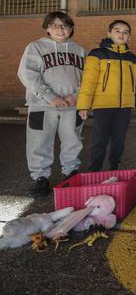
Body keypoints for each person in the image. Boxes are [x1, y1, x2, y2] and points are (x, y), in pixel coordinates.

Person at [18, 11, 86, 196]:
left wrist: (76, 96)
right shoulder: (36, 47)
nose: (60, 29)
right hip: (42, 105)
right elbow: (27, 75)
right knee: (39, 142)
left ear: (71, 29)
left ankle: (70, 172)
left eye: (65, 25)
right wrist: (50, 96)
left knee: (72, 140)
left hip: (71, 105)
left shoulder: (80, 50)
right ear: (47, 28)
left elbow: (88, 79)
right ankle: (40, 177)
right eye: (55, 25)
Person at [77, 20, 136, 172]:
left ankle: (114, 169)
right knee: (100, 141)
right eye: (117, 30)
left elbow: (135, 81)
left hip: (124, 106)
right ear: (109, 33)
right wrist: (83, 105)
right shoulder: (97, 54)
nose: (121, 34)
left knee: (119, 141)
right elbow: (88, 81)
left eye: (125, 32)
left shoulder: (132, 58)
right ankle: (94, 170)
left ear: (129, 37)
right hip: (102, 105)